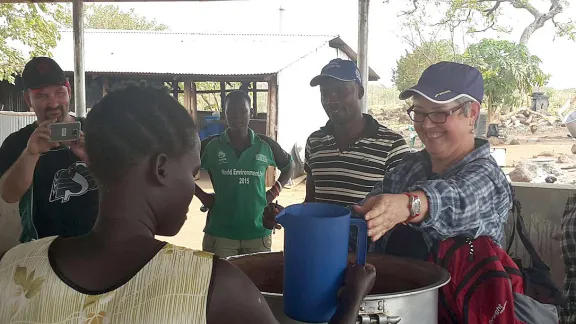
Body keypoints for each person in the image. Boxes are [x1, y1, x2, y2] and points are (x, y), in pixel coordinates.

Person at [0, 82, 376, 324]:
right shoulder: (213, 287)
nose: (192, 183)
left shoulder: (16, 265)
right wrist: (350, 302)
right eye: (192, 171)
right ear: (162, 168)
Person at [353, 62, 557, 323]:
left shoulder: (488, 177)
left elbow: (457, 199)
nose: (427, 125)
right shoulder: (407, 170)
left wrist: (407, 206)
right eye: (419, 112)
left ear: (471, 113)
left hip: (464, 313)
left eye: (439, 113)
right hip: (399, 309)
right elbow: (363, 223)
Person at [305, 58, 412, 253]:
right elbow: (311, 201)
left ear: (360, 92)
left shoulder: (392, 145)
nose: (331, 99)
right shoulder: (315, 142)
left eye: (341, 91)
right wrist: (285, 214)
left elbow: (399, 214)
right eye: (325, 93)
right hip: (319, 252)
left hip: (368, 259)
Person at [0, 57, 98, 243]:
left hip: (97, 244)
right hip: (41, 249)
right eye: (42, 96)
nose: (53, 103)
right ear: (28, 99)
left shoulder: (97, 132)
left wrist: (90, 157)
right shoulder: (17, 142)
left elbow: (122, 187)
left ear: (69, 91)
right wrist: (30, 154)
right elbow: (9, 195)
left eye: (59, 93)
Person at [195, 90, 294, 258]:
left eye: (243, 111)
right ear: (225, 113)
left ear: (251, 112)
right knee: (221, 282)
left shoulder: (266, 145)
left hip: (257, 233)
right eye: (231, 111)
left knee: (255, 282)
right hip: (221, 234)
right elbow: (178, 169)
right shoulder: (211, 146)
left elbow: (288, 166)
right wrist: (202, 196)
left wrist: (273, 192)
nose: (237, 116)